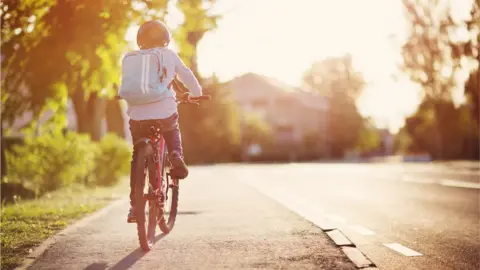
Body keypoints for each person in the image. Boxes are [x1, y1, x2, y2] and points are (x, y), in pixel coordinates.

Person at [122, 20, 202, 223]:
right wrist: (196, 93)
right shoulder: (169, 55)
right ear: (165, 39)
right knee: (172, 127)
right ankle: (175, 154)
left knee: (136, 156)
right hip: (163, 110)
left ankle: (134, 207)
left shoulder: (131, 58)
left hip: (137, 115)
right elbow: (186, 75)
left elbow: (128, 84)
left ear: (140, 40)